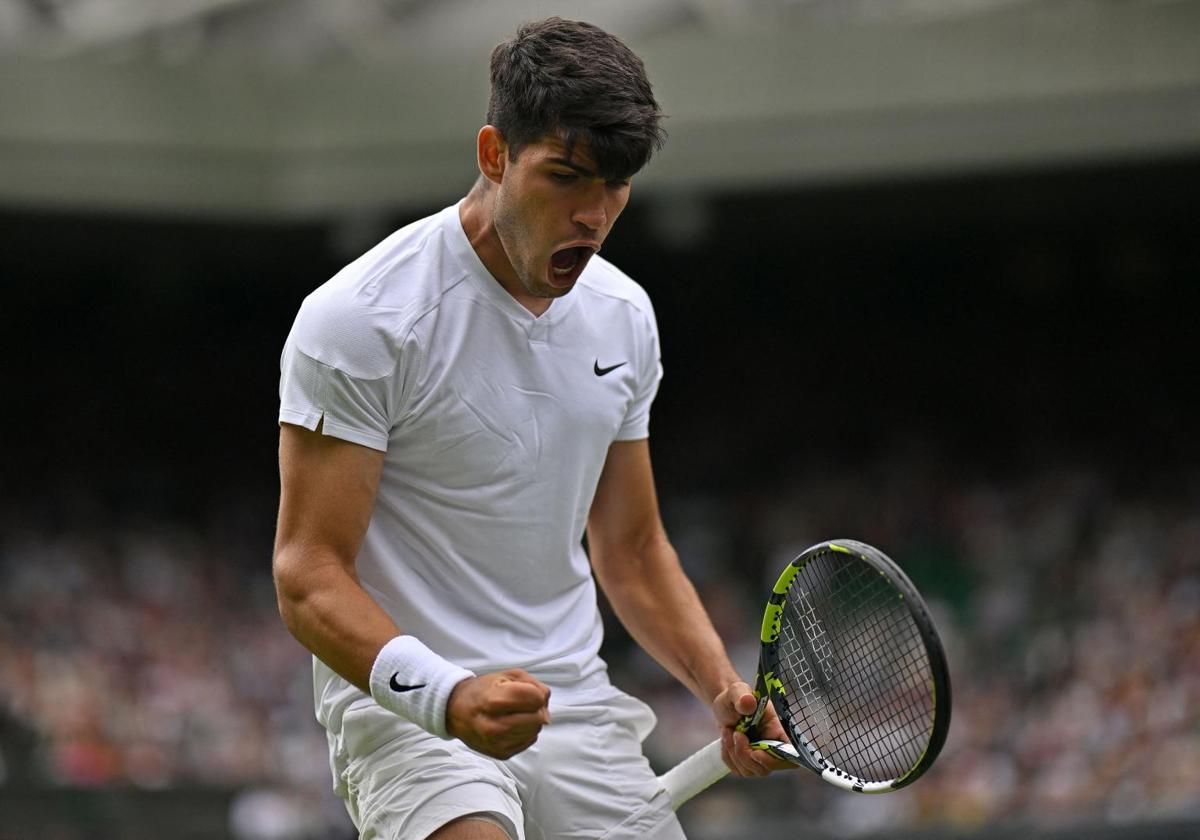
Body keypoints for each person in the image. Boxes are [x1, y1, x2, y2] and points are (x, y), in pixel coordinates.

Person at [272, 17, 790, 840]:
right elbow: (307, 571)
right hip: (415, 712)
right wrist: (447, 694)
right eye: (567, 177)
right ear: (493, 155)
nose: (593, 213)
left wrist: (721, 687)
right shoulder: (361, 318)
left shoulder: (624, 317)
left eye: (615, 187)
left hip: (576, 708)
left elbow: (632, 548)